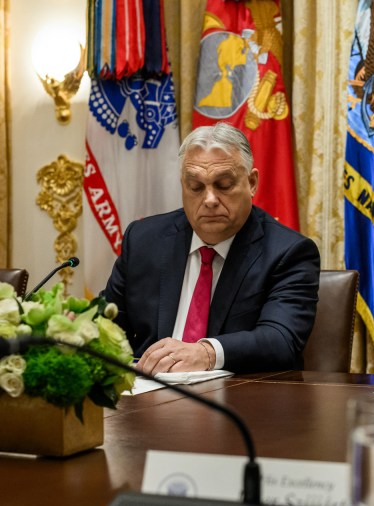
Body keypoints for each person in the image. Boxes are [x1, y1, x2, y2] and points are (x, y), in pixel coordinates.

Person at [104, 123, 320, 374]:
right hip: (146, 393)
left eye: (224, 185)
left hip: (237, 400)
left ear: (251, 183)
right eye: (195, 187)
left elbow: (281, 340)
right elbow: (107, 323)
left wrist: (207, 353)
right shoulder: (144, 240)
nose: (209, 200)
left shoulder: (288, 253)